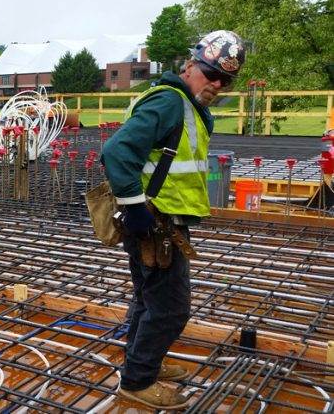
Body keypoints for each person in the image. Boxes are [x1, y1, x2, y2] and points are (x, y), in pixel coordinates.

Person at [101, 30, 246, 410]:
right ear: (190, 65)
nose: (216, 83)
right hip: (154, 222)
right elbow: (116, 152)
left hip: (160, 220)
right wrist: (134, 210)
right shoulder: (170, 102)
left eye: (225, 80)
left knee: (150, 300)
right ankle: (137, 381)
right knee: (171, 307)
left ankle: (143, 362)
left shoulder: (186, 105)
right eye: (211, 73)